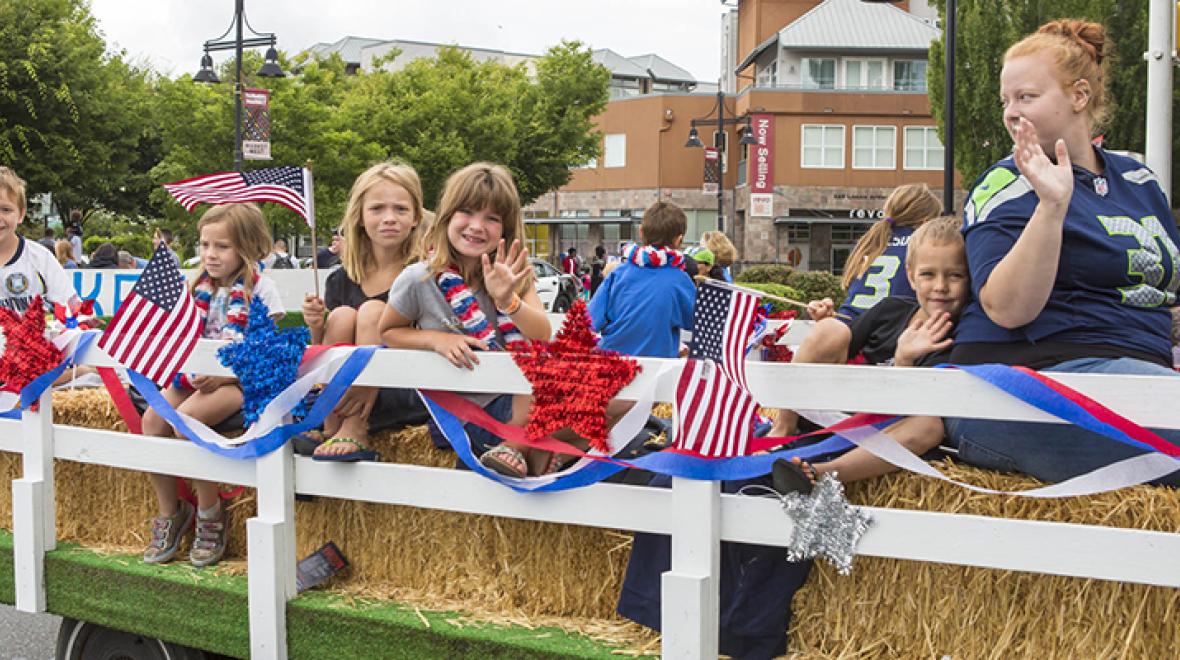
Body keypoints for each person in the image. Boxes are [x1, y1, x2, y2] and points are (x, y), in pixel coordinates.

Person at [944, 19, 1180, 485]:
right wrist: (1052, 206)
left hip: (1139, 373)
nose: (1011, 112)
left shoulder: (1140, 181)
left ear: (1079, 96)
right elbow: (1006, 308)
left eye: (1026, 97)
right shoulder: (1006, 182)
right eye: (1005, 101)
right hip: (1030, 379)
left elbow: (1164, 290)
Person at [379, 162, 552, 478]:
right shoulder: (420, 278)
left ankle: (528, 446)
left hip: (512, 398)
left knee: (613, 401)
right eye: (467, 212)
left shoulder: (512, 277)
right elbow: (389, 331)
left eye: (492, 218)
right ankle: (521, 446)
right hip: (464, 412)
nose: (477, 226)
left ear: (506, 229)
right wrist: (437, 339)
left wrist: (508, 300)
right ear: (447, 217)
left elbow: (542, 334)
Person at [140, 203, 284, 567]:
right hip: (193, 376)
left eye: (222, 247)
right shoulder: (195, 285)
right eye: (205, 245)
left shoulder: (262, 290)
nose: (210, 254)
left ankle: (210, 512)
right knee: (152, 422)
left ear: (248, 247)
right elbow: (179, 335)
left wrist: (225, 373)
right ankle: (171, 513)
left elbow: (267, 353)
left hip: (238, 382)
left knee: (185, 422)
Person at [782, 216, 967, 485]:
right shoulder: (890, 310)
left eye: (955, 275)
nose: (940, 286)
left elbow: (906, 413)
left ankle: (826, 474)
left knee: (929, 426)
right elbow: (840, 347)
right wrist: (826, 324)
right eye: (928, 274)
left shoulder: (960, 337)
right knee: (829, 330)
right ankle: (782, 429)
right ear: (911, 277)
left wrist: (903, 360)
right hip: (841, 414)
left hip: (885, 435)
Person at [767, 182, 941, 436]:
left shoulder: (873, 244)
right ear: (926, 220)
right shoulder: (922, 246)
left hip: (847, 338)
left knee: (829, 330)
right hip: (887, 343)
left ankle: (783, 425)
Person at [300, 162, 430, 461]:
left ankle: (356, 427)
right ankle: (332, 421)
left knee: (373, 312)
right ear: (359, 217)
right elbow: (324, 346)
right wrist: (317, 325)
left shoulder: (421, 275)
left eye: (400, 209)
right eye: (377, 209)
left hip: (399, 386)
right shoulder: (339, 278)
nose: (389, 219)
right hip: (340, 391)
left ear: (415, 218)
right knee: (343, 315)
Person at [589, 202, 696, 358]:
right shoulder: (680, 280)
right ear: (678, 240)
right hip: (657, 370)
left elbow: (587, 322)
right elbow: (700, 323)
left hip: (612, 366)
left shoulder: (618, 274)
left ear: (641, 232)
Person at [0, 167, 79, 314]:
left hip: (34, 336)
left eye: (6, 209)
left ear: (21, 214)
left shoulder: (41, 258)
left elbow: (70, 309)